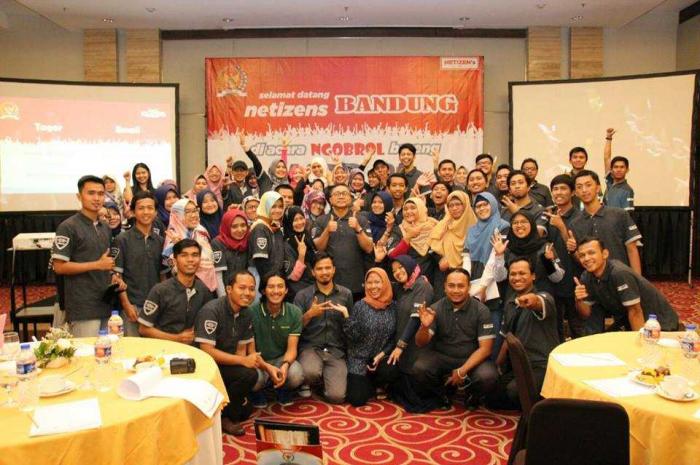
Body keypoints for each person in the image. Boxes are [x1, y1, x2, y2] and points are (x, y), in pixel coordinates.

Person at [52, 175, 126, 337]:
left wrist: (113, 276)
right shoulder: (68, 227)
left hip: (105, 303)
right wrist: (96, 265)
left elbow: (104, 262)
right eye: (91, 193)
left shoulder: (104, 227)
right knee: (87, 351)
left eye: (100, 194)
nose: (97, 198)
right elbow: (59, 267)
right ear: (79, 196)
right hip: (83, 307)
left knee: (108, 349)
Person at [413, 268, 498, 409]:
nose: (456, 290)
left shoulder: (482, 310)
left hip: (472, 358)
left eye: (461, 286)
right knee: (420, 368)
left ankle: (472, 396)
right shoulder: (435, 308)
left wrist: (461, 371)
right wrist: (424, 327)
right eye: (451, 286)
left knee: (488, 376)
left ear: (469, 287)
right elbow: (420, 343)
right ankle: (442, 394)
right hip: (443, 357)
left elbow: (485, 349)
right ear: (445, 287)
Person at [488, 257, 559, 409]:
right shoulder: (510, 303)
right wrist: (497, 366)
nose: (517, 278)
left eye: (522, 273)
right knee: (491, 395)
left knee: (515, 391)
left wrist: (532, 300)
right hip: (520, 365)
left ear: (533, 276)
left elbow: (538, 302)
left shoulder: (545, 297)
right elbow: (507, 337)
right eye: (513, 274)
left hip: (542, 365)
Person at [195, 269, 258, 436]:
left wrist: (244, 362)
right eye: (242, 288)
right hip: (205, 367)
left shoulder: (247, 312)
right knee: (249, 375)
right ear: (229, 289)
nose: (247, 293)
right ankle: (225, 417)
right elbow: (207, 351)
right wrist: (242, 361)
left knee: (249, 380)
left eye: (251, 289)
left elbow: (241, 350)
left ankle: (225, 409)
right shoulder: (212, 310)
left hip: (225, 364)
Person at [574, 237, 679, 333]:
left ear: (605, 254)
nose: (586, 258)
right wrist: (579, 300)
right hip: (627, 320)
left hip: (659, 324)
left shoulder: (619, 273)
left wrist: (638, 343)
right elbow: (586, 314)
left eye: (591, 253)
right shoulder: (586, 276)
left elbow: (635, 312)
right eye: (582, 255)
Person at [294, 252, 353, 403]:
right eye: (319, 269)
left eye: (328, 268)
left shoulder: (346, 294)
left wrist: (346, 316)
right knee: (309, 372)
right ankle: (312, 380)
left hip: (336, 351)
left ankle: (323, 384)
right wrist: (309, 315)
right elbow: (293, 330)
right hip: (311, 348)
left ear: (334, 270)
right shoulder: (302, 296)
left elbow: (351, 327)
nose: (324, 272)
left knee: (337, 397)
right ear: (313, 272)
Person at [138, 239, 213, 342]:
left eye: (195, 255)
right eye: (184, 255)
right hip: (163, 348)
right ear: (174, 261)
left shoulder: (203, 289)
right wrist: (177, 338)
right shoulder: (160, 290)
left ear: (200, 259)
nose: (190, 259)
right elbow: (143, 329)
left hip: (192, 349)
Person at [249, 272, 305, 407]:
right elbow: (251, 352)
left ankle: (282, 388)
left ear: (286, 290)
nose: (276, 291)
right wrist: (267, 367)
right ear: (263, 290)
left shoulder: (295, 312)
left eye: (280, 286)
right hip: (258, 361)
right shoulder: (251, 312)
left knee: (296, 375)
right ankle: (259, 390)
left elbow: (292, 349)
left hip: (281, 359)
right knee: (254, 380)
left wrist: (285, 366)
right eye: (271, 287)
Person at [569, 170, 642, 274]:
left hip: (621, 276)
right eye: (579, 187)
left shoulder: (619, 214)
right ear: (575, 192)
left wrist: (637, 280)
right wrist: (573, 250)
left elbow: (632, 250)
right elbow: (582, 259)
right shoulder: (575, 224)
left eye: (588, 185)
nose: (584, 190)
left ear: (598, 188)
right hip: (593, 280)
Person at [115, 191, 166, 336]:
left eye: (150, 208)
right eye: (141, 208)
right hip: (132, 305)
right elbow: (117, 276)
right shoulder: (122, 240)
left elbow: (163, 277)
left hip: (156, 306)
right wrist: (126, 304)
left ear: (156, 212)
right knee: (132, 347)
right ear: (132, 212)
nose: (146, 212)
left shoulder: (161, 241)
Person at [344, 268, 397, 406]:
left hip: (381, 358)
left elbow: (395, 337)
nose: (373, 286)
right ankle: (370, 385)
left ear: (385, 283)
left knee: (392, 370)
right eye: (369, 282)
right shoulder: (360, 306)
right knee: (357, 400)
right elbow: (352, 338)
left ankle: (378, 383)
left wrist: (382, 354)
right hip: (359, 358)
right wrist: (347, 317)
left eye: (377, 282)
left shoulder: (394, 307)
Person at [465, 192, 509, 357]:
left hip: (493, 284)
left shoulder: (503, 226)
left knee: (492, 327)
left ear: (493, 205)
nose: (481, 208)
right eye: (478, 206)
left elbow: (494, 258)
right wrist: (465, 282)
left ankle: (492, 364)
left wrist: (483, 286)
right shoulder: (472, 230)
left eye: (485, 204)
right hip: (473, 283)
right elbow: (466, 256)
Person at [312, 184, 373, 300]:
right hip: (330, 283)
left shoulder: (361, 219)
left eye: (344, 193)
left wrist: (358, 228)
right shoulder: (321, 220)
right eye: (337, 194)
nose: (341, 196)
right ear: (330, 200)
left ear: (350, 198)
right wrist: (327, 231)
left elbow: (369, 248)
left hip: (356, 283)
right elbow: (318, 248)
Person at [544, 174, 585, 338]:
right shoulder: (549, 215)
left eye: (563, 188)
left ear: (573, 192)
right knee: (554, 327)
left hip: (574, 279)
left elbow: (581, 252)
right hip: (553, 280)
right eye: (555, 189)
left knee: (577, 326)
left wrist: (561, 226)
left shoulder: (580, 217)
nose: (558, 192)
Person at [498, 212, 563, 299]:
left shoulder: (544, 247)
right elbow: (499, 278)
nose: (519, 225)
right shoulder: (507, 248)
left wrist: (549, 262)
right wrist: (499, 256)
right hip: (513, 300)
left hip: (540, 298)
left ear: (532, 224)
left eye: (523, 222)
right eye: (515, 223)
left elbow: (557, 279)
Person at [162, 198, 218, 293]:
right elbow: (172, 270)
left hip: (207, 288)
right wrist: (179, 246)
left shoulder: (201, 231)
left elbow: (211, 260)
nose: (194, 215)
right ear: (177, 215)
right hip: (183, 290)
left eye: (195, 210)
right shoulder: (172, 236)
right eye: (188, 212)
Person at [429, 190, 476, 298]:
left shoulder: (475, 227)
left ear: (465, 205)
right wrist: (440, 259)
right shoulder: (443, 225)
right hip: (444, 275)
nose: (454, 208)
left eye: (458, 204)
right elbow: (432, 246)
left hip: (468, 275)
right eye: (451, 205)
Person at [249, 191, 294, 283]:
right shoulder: (260, 228)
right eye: (273, 206)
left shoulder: (275, 228)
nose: (278, 210)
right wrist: (270, 282)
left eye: (280, 206)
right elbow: (261, 262)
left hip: (276, 278)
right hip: (262, 280)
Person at [211, 209, 250, 297]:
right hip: (226, 293)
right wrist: (224, 300)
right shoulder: (218, 243)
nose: (240, 230)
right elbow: (218, 276)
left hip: (245, 292)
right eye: (234, 226)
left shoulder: (248, 240)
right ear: (227, 227)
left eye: (243, 225)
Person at [283, 206, 316, 299]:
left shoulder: (306, 236)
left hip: (312, 287)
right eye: (295, 220)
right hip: (298, 293)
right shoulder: (287, 244)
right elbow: (293, 277)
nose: (300, 222)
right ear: (289, 222)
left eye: (301, 218)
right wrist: (301, 255)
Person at [501, 170, 547, 236]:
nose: (517, 186)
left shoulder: (540, 210)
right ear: (509, 190)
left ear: (528, 187)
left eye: (520, 182)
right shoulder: (503, 211)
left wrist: (517, 213)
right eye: (513, 184)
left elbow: (537, 236)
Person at [602, 128, 634, 211]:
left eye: (622, 167)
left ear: (627, 170)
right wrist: (609, 138)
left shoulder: (627, 190)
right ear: (611, 169)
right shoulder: (610, 181)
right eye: (616, 167)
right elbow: (607, 158)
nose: (619, 170)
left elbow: (628, 215)